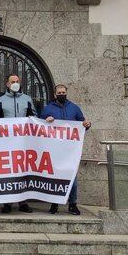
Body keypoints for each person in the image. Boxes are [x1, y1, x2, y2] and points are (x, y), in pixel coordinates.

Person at [40, 84, 91, 216]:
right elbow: (39, 127)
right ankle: (54, 204)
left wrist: (87, 124)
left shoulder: (74, 108)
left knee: (72, 180)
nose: (62, 94)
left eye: (64, 92)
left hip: (70, 151)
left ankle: (72, 204)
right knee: (54, 178)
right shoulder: (47, 109)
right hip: (54, 150)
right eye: (59, 92)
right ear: (55, 95)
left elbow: (82, 124)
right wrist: (46, 121)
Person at [0, 74, 36, 214]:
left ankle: (23, 202)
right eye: (13, 82)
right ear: (7, 84)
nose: (15, 83)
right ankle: (7, 202)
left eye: (17, 81)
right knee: (8, 172)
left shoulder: (27, 99)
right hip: (7, 143)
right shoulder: (1, 100)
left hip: (24, 142)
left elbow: (34, 117)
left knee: (23, 171)